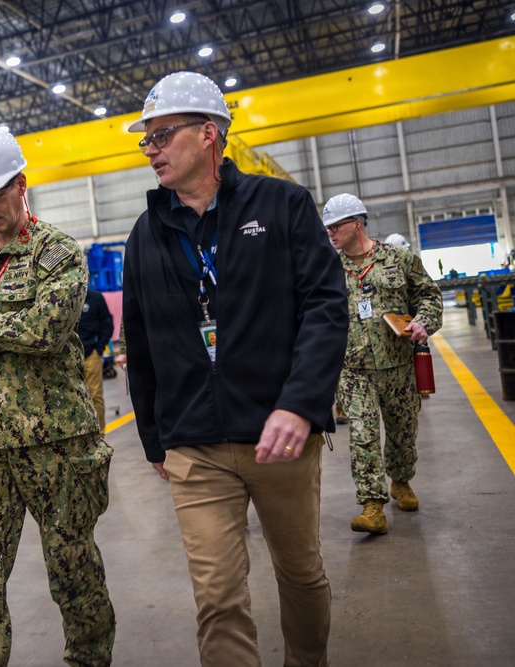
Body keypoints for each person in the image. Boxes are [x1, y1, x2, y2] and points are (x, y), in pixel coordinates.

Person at [122, 71, 348, 667]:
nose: (151, 151)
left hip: (281, 437)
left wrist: (302, 403)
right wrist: (154, 437)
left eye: (161, 136)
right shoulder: (145, 234)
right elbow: (140, 342)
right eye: (145, 140)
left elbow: (326, 307)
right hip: (194, 445)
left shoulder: (284, 205)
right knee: (217, 596)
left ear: (208, 134)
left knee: (299, 574)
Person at [0, 127, 116, 666]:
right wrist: (3, 330)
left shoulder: (59, 254)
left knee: (72, 567)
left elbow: (47, 332)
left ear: (21, 185)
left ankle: (89, 659)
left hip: (55, 443)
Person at [323, 193, 442, 534]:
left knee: (403, 433)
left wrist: (424, 322)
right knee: (362, 434)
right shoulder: (328, 269)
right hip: (353, 368)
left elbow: (428, 296)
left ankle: (401, 481)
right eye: (327, 228)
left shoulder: (399, 259)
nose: (330, 233)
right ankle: (372, 505)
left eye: (335, 226)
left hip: (399, 366)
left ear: (355, 224)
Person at [78, 288, 114, 432]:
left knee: (95, 395)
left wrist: (99, 348)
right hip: (72, 357)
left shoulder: (95, 298)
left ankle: (100, 434)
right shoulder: (68, 298)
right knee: (77, 398)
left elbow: (107, 323)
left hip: (91, 354)